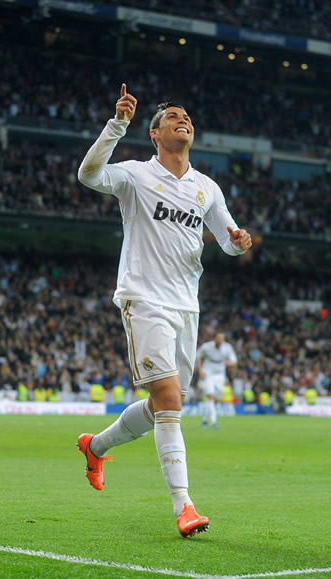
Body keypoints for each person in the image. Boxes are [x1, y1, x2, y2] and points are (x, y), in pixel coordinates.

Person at [76, 84, 252, 538]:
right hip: (144, 299)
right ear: (155, 133)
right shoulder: (135, 175)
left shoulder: (206, 187)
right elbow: (89, 175)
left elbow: (227, 238)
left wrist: (237, 243)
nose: (184, 119)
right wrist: (117, 124)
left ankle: (95, 446)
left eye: (187, 116)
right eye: (174, 116)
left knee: (162, 406)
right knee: (170, 402)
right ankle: (184, 507)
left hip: (185, 306)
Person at [196, 331, 237, 429]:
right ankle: (214, 422)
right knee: (211, 396)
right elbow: (198, 357)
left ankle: (205, 420)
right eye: (218, 338)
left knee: (216, 399)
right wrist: (201, 370)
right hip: (208, 372)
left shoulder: (227, 348)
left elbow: (234, 362)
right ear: (214, 339)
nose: (220, 340)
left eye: (222, 338)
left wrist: (226, 363)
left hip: (220, 374)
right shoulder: (206, 346)